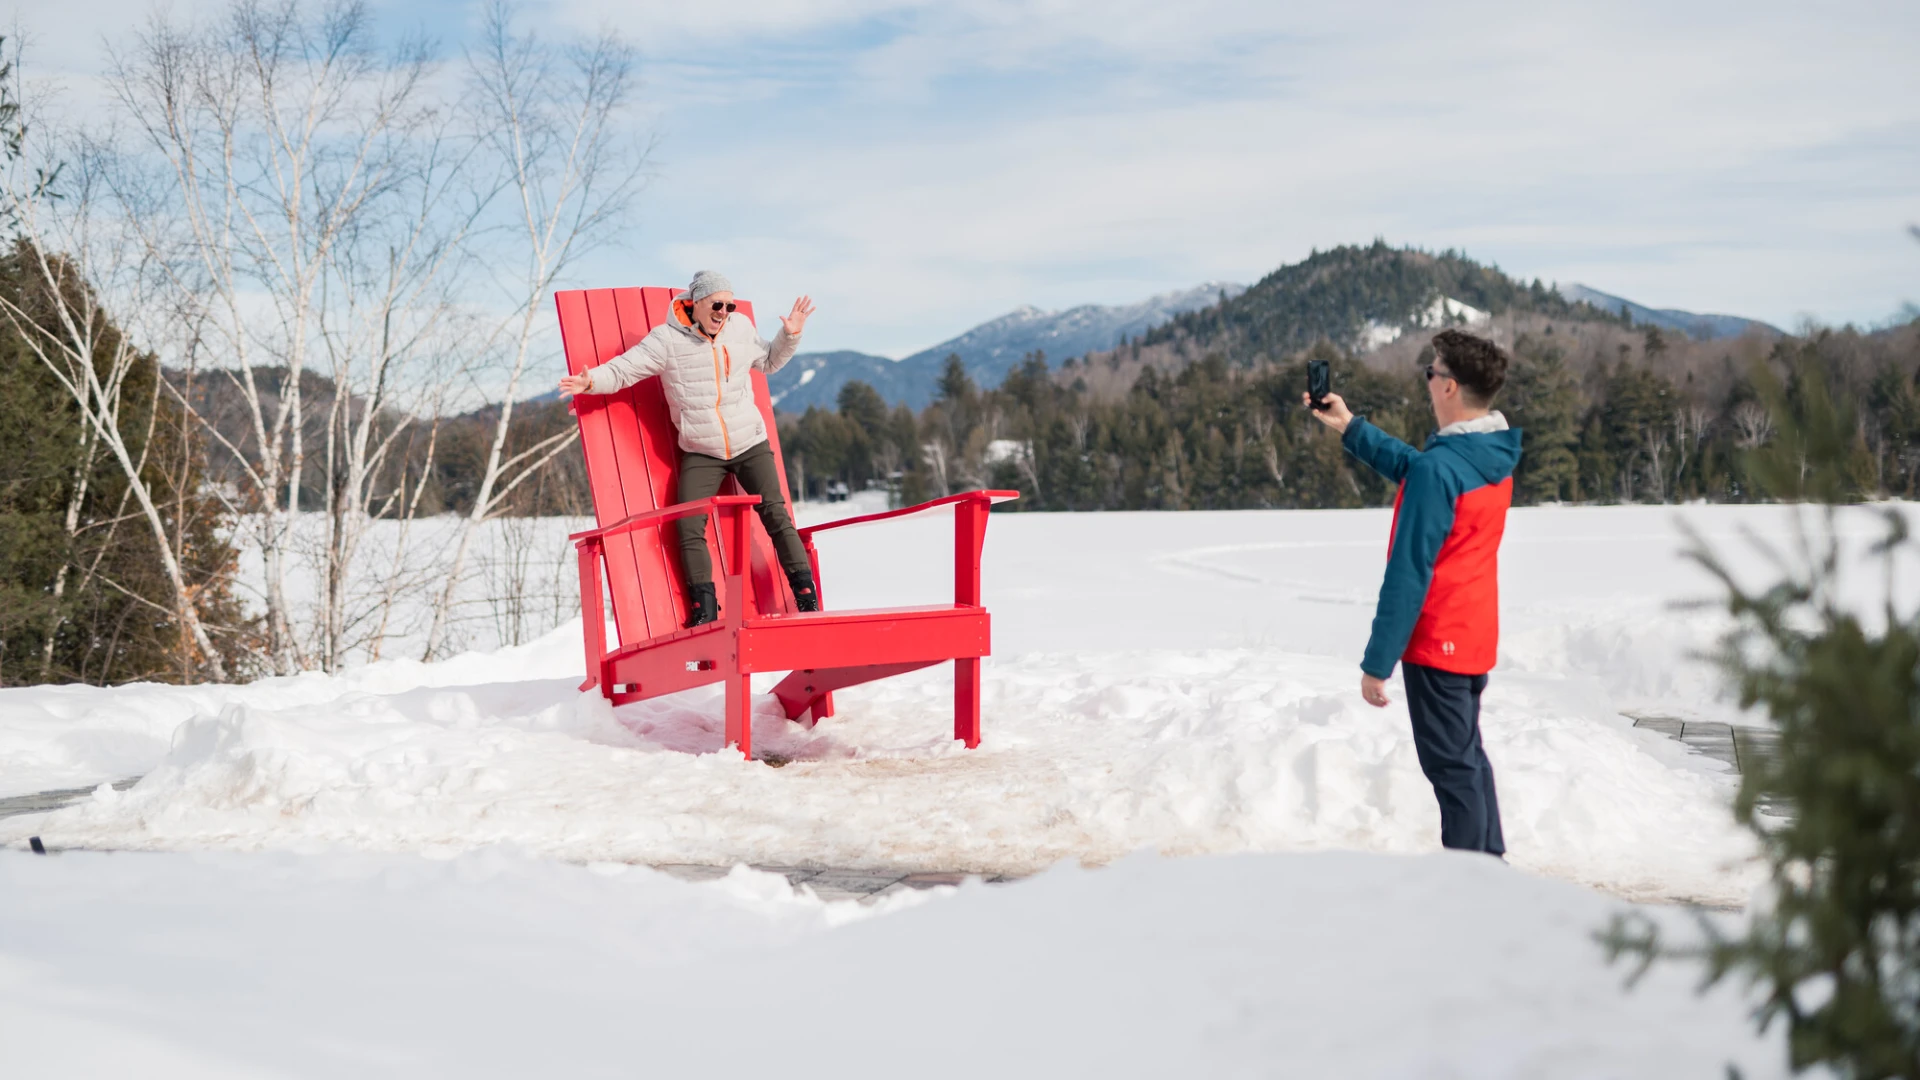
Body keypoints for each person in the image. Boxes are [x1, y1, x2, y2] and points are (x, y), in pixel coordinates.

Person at [1304, 329, 1522, 857]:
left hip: (1438, 643)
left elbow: (1408, 573)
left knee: (1452, 770)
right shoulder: (1488, 455)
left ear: (1449, 387)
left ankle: (1473, 884)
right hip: (1471, 637)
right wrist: (1350, 426)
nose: (1427, 380)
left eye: (1431, 371)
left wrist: (1377, 663)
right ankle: (1487, 867)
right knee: (1467, 760)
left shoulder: (1443, 468)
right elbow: (1420, 470)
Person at [558, 270, 818, 627]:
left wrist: (790, 336)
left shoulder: (740, 329)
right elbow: (624, 370)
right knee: (688, 525)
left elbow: (769, 362)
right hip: (701, 450)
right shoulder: (666, 341)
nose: (723, 311)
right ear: (695, 303)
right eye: (716, 304)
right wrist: (590, 382)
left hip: (749, 442)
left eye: (729, 304)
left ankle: (806, 596)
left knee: (776, 515)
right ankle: (704, 610)